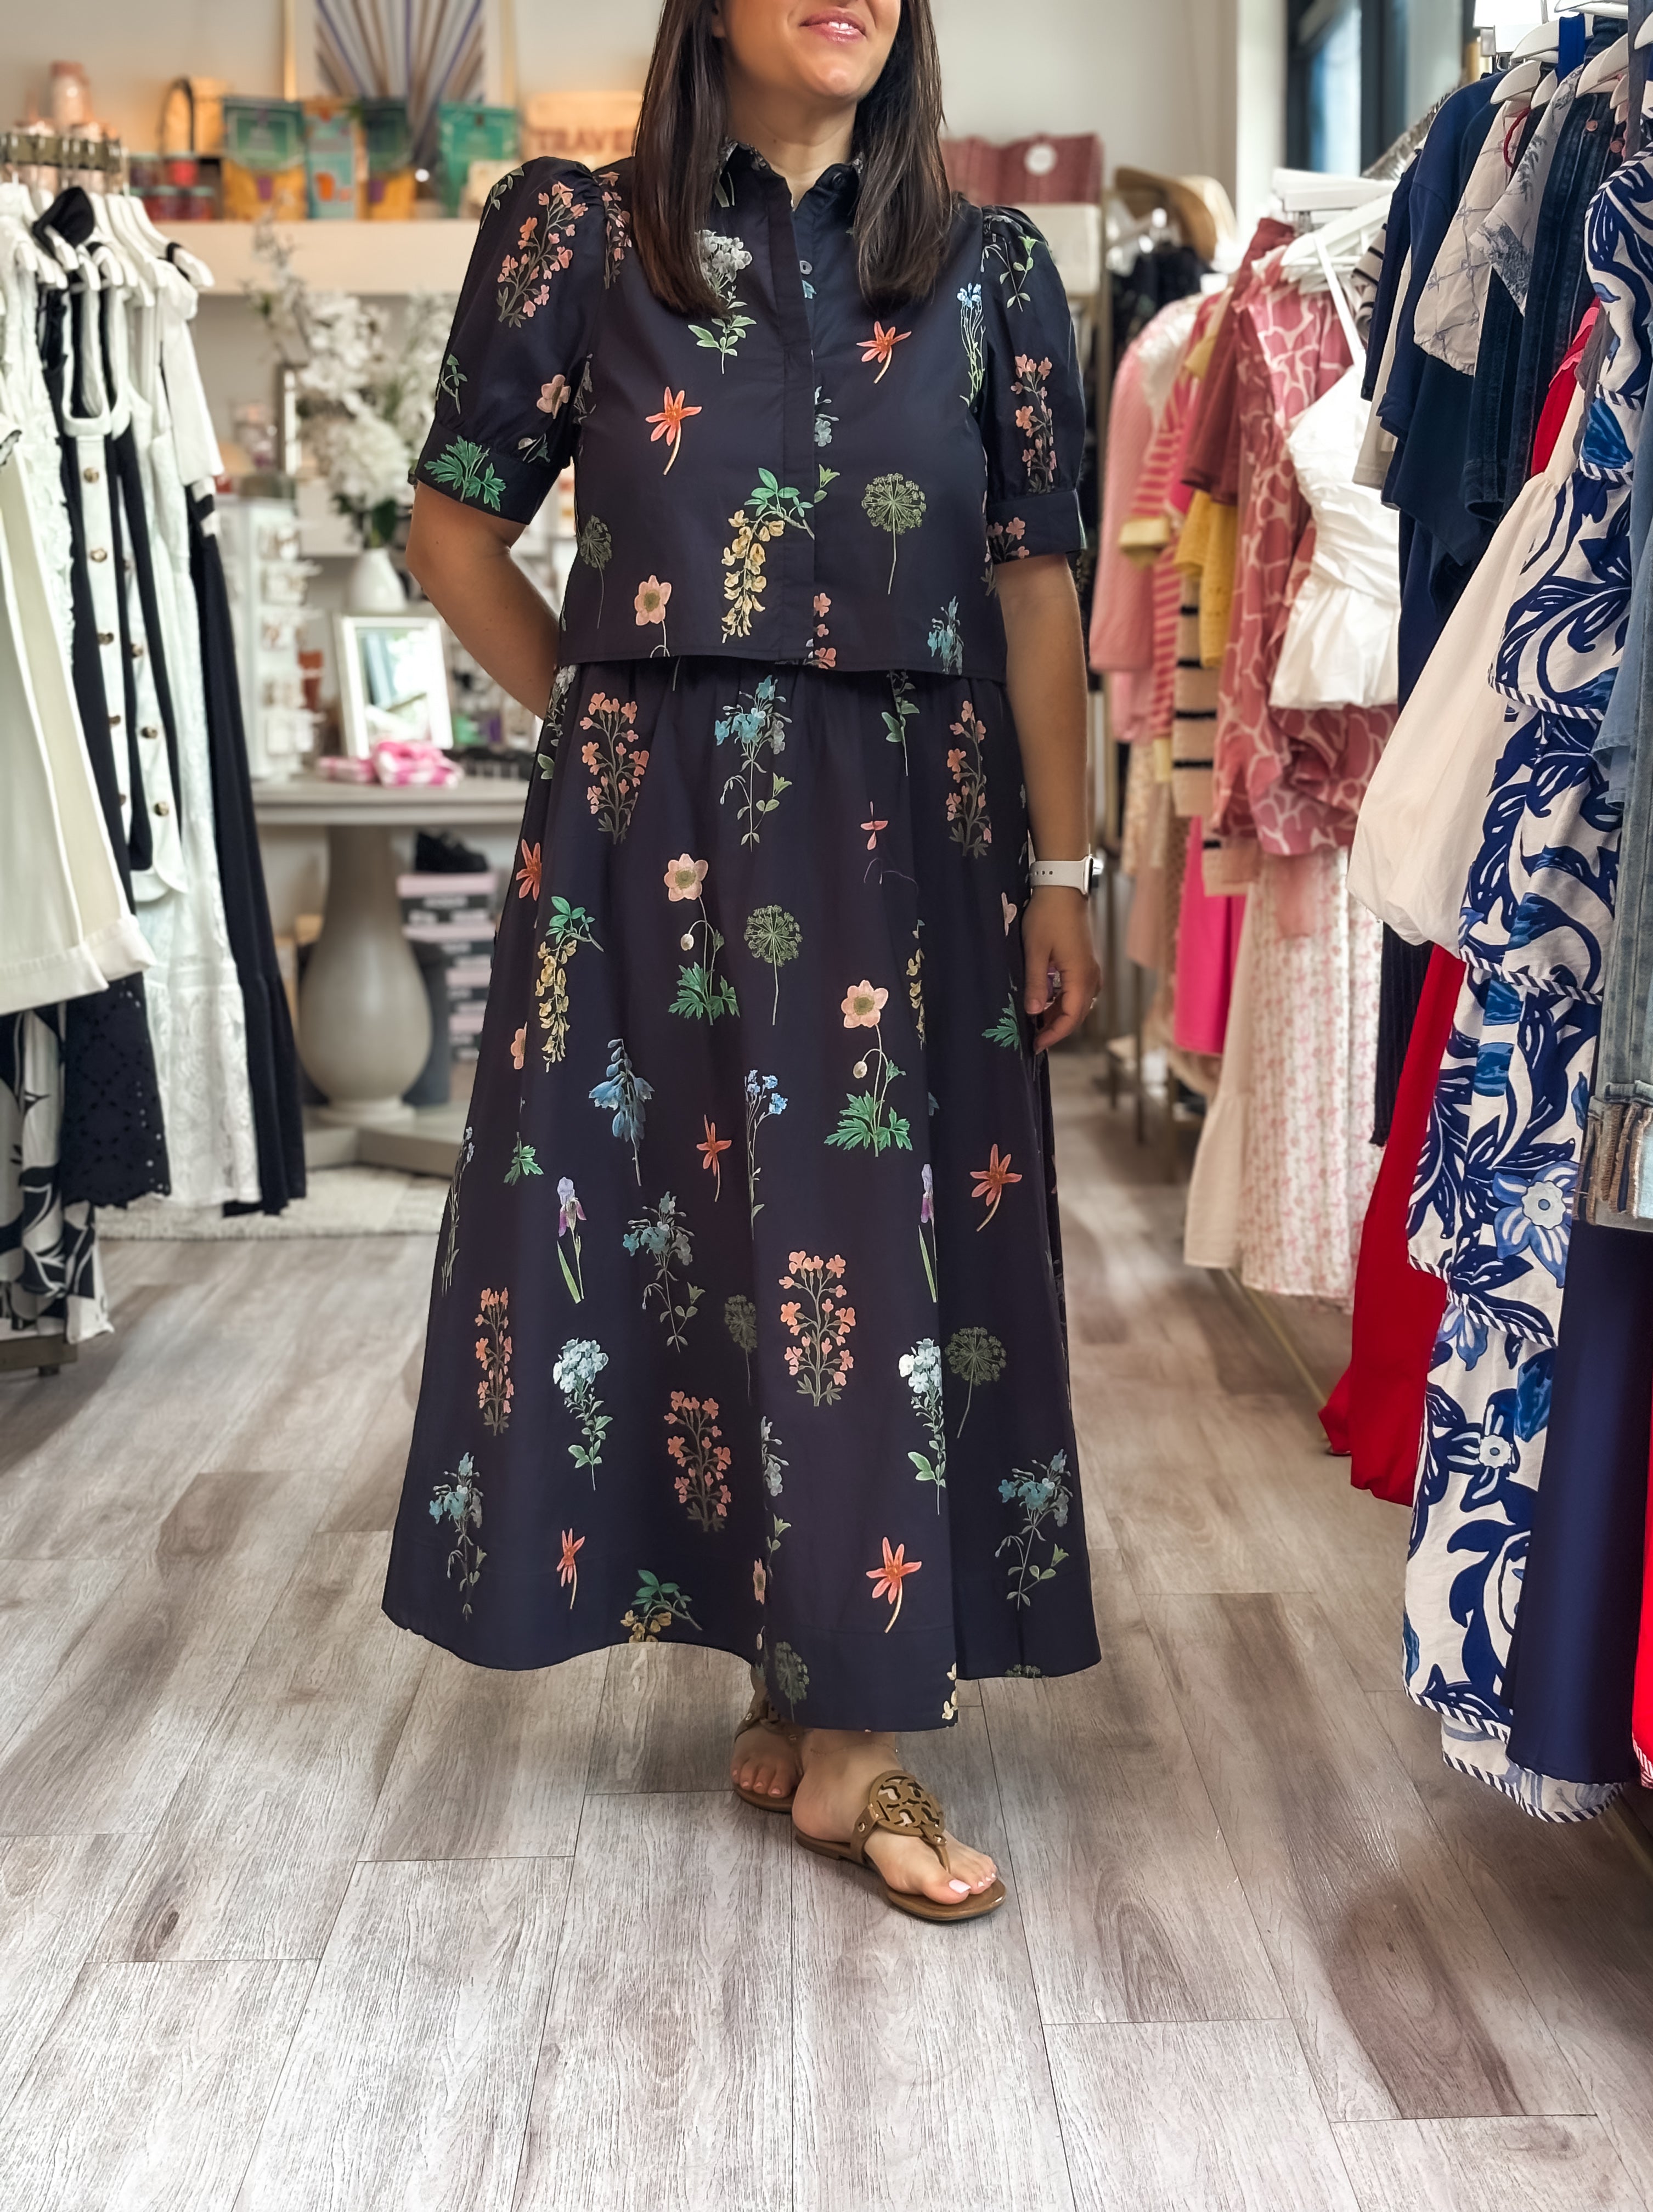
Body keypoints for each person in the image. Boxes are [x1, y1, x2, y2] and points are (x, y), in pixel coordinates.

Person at [382, 0, 1102, 1923]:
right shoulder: (577, 235)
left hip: (913, 850)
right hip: (657, 846)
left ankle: (851, 1730)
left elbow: (1035, 587)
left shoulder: (990, 269)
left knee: (866, 1255)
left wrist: (1063, 864)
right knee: (691, 1245)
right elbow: (452, 531)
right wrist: (609, 730)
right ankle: (800, 1685)